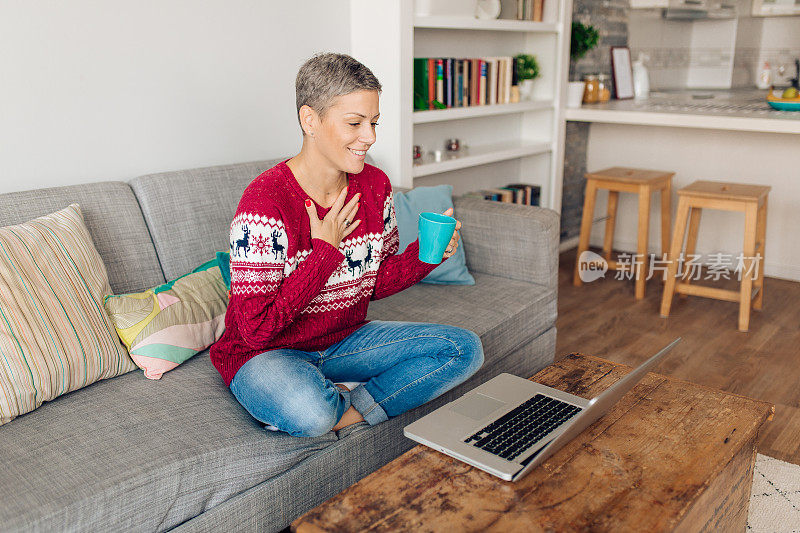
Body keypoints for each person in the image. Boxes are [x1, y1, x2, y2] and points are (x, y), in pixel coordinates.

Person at [210, 52, 484, 438]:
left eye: (373, 122)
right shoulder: (265, 202)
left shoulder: (374, 186)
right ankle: (322, 400)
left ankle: (347, 408)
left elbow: (375, 282)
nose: (369, 137)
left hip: (344, 339)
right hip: (266, 353)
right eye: (354, 123)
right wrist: (324, 251)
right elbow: (255, 329)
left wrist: (428, 254)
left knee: (463, 349)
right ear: (310, 120)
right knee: (309, 412)